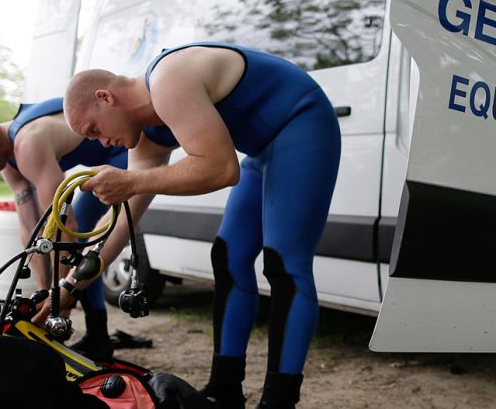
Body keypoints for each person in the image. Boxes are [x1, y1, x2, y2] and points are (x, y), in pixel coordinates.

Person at [49, 42, 341, 409]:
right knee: (228, 257)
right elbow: (120, 223)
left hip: (302, 121)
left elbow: (220, 168)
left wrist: (133, 181)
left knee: (284, 264)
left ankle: (278, 401)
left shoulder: (168, 79)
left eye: (94, 130)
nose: (101, 143)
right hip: (260, 149)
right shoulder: (147, 136)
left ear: (105, 97)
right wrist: (68, 288)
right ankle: (224, 389)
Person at [0, 98, 127, 362]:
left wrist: (58, 303)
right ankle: (98, 338)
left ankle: (97, 336)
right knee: (70, 246)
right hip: (101, 162)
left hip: (123, 152)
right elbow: (32, 231)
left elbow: (64, 228)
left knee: (78, 233)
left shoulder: (28, 143)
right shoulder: (9, 164)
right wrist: (42, 294)